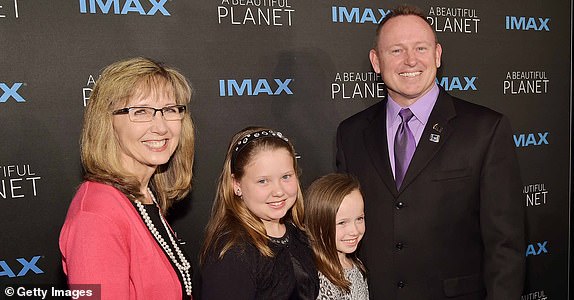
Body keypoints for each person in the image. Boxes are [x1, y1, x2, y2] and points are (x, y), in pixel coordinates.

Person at [336, 5, 525, 300]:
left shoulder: (485, 130)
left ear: (437, 55)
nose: (410, 60)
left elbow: (506, 245)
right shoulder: (350, 134)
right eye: (396, 50)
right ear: (376, 61)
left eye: (420, 48)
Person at [59, 57, 195, 299]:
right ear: (107, 122)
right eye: (141, 112)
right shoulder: (96, 217)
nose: (161, 127)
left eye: (170, 110)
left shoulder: (144, 193)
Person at [200, 126, 319, 300]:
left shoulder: (298, 234)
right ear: (237, 185)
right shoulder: (233, 253)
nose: (278, 191)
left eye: (286, 176)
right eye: (263, 181)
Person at [305, 173, 369, 300]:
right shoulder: (315, 279)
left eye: (359, 219)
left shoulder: (356, 265)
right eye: (342, 223)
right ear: (319, 224)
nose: (354, 231)